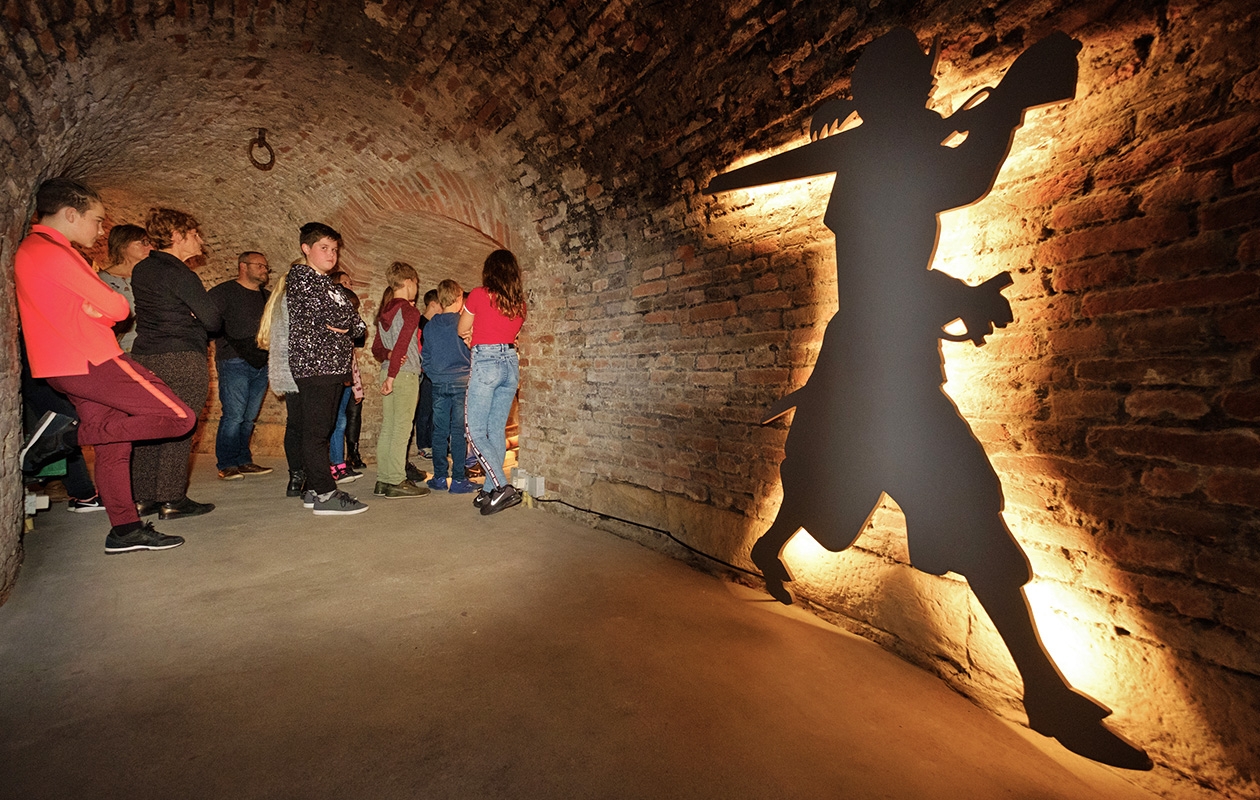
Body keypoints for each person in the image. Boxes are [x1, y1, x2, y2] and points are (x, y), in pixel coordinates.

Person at [706, 30, 1148, 770]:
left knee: (952, 505)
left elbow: (931, 205)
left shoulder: (886, 149)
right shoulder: (881, 157)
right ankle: (771, 546)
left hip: (892, 364)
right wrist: (1006, 104)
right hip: (871, 368)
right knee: (840, 493)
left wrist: (999, 108)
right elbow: (957, 187)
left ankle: (1041, 687)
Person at [15, 177, 195, 553]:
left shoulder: (31, 250)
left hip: (61, 365)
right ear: (69, 214)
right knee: (180, 417)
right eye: (97, 220)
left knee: (115, 442)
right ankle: (63, 438)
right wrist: (98, 311)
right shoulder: (56, 252)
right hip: (92, 358)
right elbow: (118, 307)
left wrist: (92, 310)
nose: (101, 229)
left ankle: (124, 530)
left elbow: (93, 309)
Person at [129, 208, 222, 520]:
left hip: (144, 356)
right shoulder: (183, 274)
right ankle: (171, 498)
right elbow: (212, 320)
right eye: (194, 234)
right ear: (177, 237)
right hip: (181, 356)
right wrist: (194, 317)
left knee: (148, 427)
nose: (200, 239)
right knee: (181, 425)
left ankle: (143, 498)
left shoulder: (142, 270)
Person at [286, 222, 369, 514]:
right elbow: (341, 315)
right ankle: (325, 493)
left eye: (334, 249)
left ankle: (311, 488)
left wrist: (346, 324)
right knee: (317, 431)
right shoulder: (301, 276)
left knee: (322, 428)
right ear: (306, 249)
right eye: (324, 248)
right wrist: (346, 322)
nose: (331, 254)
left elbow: (358, 325)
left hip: (332, 367)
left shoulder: (328, 285)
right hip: (315, 365)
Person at [459, 249, 526, 515]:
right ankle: (489, 490)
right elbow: (513, 332)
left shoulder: (478, 294)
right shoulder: (519, 304)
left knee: (474, 431)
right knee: (495, 430)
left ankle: (501, 486)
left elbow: (462, 328)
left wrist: (471, 336)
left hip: (486, 363)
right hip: (510, 363)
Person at [209, 251, 274, 480]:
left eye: (266, 267)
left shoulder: (267, 296)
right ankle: (226, 463)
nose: (265, 270)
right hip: (233, 360)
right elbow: (208, 321)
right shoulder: (224, 292)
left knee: (249, 416)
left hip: (261, 362)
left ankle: (243, 460)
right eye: (260, 265)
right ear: (243, 266)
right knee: (234, 415)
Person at [370, 262, 430, 499]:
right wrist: (394, 374)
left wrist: (389, 361)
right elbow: (403, 343)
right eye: (416, 282)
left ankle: (383, 480)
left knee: (389, 428)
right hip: (403, 375)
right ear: (408, 282)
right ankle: (396, 480)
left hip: (388, 370)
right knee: (402, 429)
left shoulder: (385, 310)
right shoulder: (409, 310)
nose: (416, 287)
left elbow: (377, 348)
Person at [423, 279, 479, 494]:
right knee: (458, 432)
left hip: (438, 383)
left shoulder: (431, 324)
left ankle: (438, 477)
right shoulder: (464, 322)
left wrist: (433, 374)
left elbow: (425, 355)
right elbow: (473, 350)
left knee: (439, 431)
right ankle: (457, 480)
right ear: (459, 297)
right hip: (462, 382)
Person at [326, 269, 364, 484]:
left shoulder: (347, 333)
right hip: (334, 380)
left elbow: (353, 363)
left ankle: (340, 464)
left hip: (347, 381)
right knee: (336, 422)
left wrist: (356, 386)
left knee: (341, 422)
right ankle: (335, 465)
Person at [98, 223, 150, 351]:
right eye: (143, 242)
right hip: (118, 349)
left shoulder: (150, 278)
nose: (150, 247)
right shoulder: (100, 280)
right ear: (123, 245)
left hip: (149, 348)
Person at [413, 288, 440, 461]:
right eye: (441, 305)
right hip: (423, 372)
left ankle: (430, 443)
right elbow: (419, 349)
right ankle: (423, 445)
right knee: (423, 411)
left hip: (433, 372)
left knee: (432, 411)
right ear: (433, 304)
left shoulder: (433, 325)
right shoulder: (419, 323)